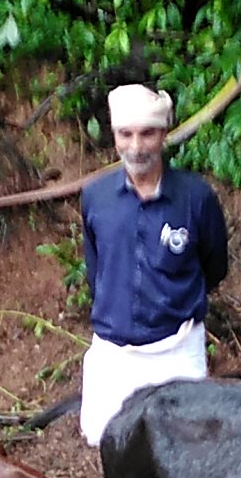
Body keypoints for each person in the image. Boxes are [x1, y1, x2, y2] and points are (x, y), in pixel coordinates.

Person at [76, 83, 231, 444]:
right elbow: (96, 268)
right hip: (115, 352)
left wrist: (171, 301)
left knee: (187, 450)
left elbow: (215, 266)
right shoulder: (95, 197)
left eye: (147, 134)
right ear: (113, 135)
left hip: (176, 349)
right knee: (108, 445)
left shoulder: (196, 198)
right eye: (125, 134)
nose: (135, 146)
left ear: (163, 134)